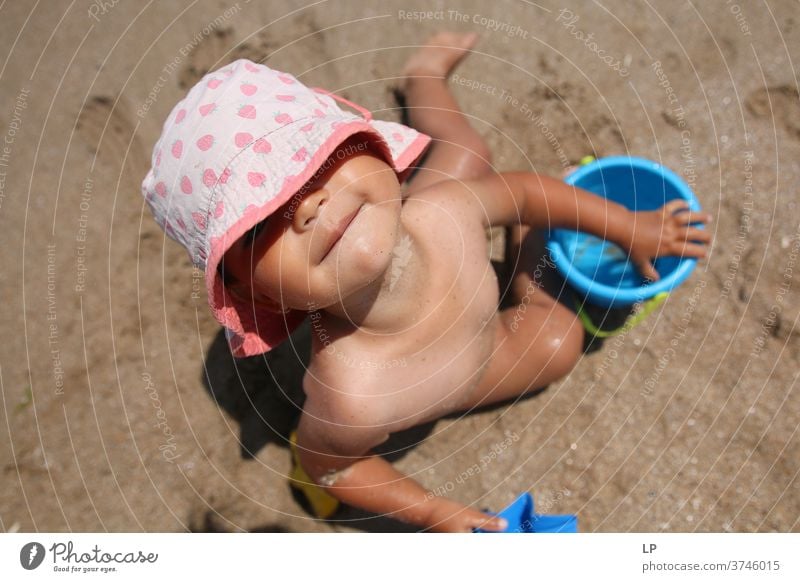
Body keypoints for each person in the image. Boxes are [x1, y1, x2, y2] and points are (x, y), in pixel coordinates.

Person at [142, 32, 711, 532]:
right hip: (467, 373)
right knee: (558, 346)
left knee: (469, 153)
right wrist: (434, 512)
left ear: (367, 148)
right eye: (261, 221)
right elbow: (331, 464)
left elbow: (530, 191)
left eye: (313, 161)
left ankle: (425, 78)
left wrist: (628, 227)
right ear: (254, 292)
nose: (308, 204)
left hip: (466, 304)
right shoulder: (352, 393)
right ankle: (533, 251)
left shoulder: (445, 212)